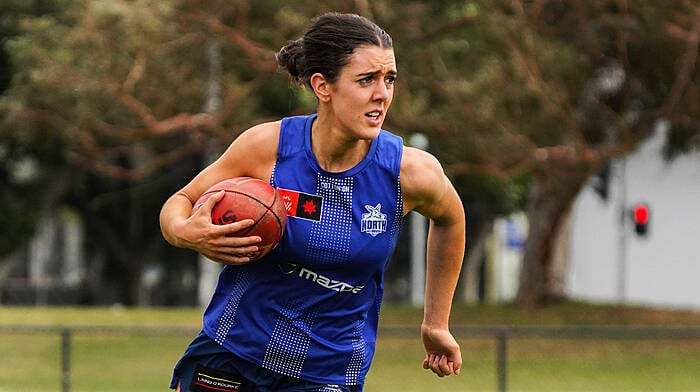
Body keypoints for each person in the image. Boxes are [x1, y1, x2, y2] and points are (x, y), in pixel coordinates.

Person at [160, 12, 465, 392]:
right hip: (231, 356)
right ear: (323, 86)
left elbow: (452, 219)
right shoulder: (268, 148)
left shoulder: (408, 173)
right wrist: (185, 233)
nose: (382, 94)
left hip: (328, 375)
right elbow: (181, 201)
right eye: (366, 79)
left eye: (389, 79)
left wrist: (436, 322)